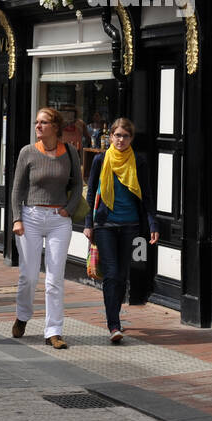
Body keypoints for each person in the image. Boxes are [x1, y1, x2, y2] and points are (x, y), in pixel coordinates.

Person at [10, 107, 83, 349]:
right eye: (36, 122)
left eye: (43, 122)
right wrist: (16, 218)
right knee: (28, 276)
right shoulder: (27, 152)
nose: (38, 126)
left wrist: (68, 209)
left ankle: (53, 331)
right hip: (30, 216)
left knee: (54, 279)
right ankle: (23, 316)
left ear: (55, 126)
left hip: (58, 219)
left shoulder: (70, 152)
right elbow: (17, 188)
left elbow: (78, 183)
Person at [84, 117, 158, 344]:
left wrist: (152, 224)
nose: (121, 140)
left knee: (122, 273)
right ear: (111, 137)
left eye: (125, 136)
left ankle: (114, 319)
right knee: (112, 272)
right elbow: (91, 192)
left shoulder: (139, 161)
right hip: (105, 224)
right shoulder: (100, 159)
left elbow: (146, 195)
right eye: (117, 135)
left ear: (131, 138)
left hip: (130, 224)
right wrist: (88, 222)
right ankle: (113, 323)